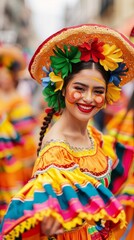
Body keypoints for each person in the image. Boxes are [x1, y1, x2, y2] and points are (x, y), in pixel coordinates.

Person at [0, 24, 134, 240]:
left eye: (98, 91)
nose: (89, 98)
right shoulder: (56, 154)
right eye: (79, 88)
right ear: (61, 88)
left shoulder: (93, 134)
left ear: (108, 94)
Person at [0, 44, 37, 221]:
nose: (2, 79)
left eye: (6, 75)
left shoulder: (19, 102)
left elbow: (26, 136)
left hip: (13, 163)